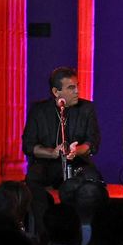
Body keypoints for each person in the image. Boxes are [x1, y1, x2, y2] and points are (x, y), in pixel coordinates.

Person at [21, 67, 105, 232]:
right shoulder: (39, 110)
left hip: (77, 162)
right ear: (56, 91)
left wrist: (76, 150)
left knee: (92, 179)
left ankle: (86, 229)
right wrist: (52, 153)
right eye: (71, 88)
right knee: (33, 178)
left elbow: (92, 143)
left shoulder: (87, 108)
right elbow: (28, 146)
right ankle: (45, 231)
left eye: (77, 86)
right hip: (47, 163)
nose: (77, 91)